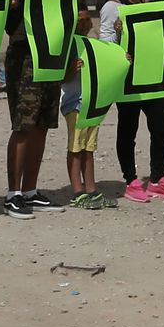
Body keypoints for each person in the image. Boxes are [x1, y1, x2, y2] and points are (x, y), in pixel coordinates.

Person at [0, 0, 90, 218]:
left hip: (50, 55)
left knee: (42, 126)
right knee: (23, 126)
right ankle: (13, 194)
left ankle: (31, 191)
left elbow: (74, 22)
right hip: (23, 56)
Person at [98, 0, 164, 203]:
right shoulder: (112, 7)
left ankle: (157, 179)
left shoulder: (144, 2)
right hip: (129, 79)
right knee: (128, 129)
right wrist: (119, 42)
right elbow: (105, 43)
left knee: (162, 128)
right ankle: (131, 180)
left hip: (151, 76)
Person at [59, 17, 109, 209]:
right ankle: (77, 191)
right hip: (74, 105)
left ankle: (91, 189)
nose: (83, 23)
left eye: (86, 19)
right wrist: (71, 70)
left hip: (91, 104)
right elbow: (60, 78)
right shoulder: (67, 46)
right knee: (75, 148)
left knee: (88, 149)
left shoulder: (93, 46)